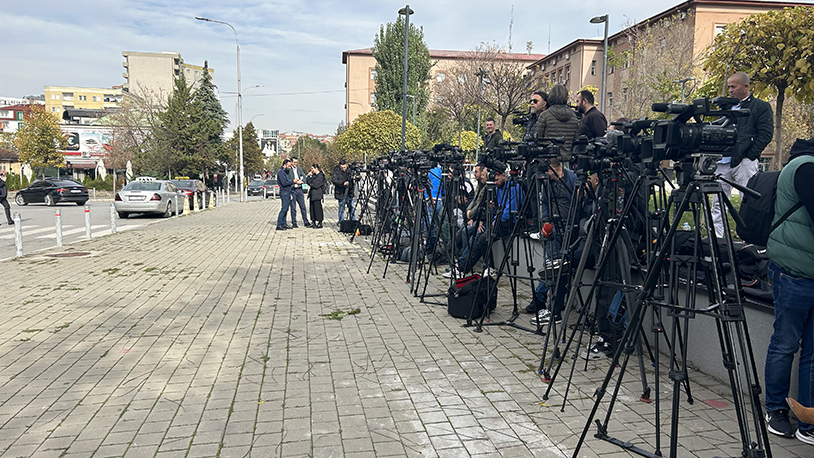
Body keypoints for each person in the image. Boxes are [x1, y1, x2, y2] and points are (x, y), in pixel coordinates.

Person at [763, 137, 814, 444]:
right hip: (794, 272)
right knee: (785, 344)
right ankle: (776, 409)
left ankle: (808, 423)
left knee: (812, 351)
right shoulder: (805, 167)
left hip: (806, 270)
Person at [711, 71, 773, 239]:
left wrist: (750, 155)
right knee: (718, 202)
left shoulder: (760, 107)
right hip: (722, 162)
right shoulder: (725, 108)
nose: (730, 90)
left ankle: (751, 236)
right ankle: (717, 237)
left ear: (746, 86)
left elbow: (766, 133)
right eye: (729, 87)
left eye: (734, 87)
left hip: (744, 162)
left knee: (749, 200)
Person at [535, 84, 579, 166]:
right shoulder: (573, 116)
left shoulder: (545, 115)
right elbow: (576, 139)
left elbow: (537, 138)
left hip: (549, 160)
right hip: (566, 160)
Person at [287, 157, 310, 228]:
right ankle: (294, 222)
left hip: (299, 189)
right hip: (293, 190)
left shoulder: (299, 169)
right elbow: (288, 180)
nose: (295, 164)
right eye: (294, 162)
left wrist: (302, 181)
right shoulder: (289, 170)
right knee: (293, 207)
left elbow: (304, 177)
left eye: (296, 162)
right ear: (291, 162)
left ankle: (306, 221)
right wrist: (294, 182)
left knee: (303, 206)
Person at [332, 159, 355, 224]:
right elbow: (334, 180)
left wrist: (353, 179)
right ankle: (341, 222)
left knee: (351, 207)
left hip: (350, 192)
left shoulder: (350, 170)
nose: (343, 169)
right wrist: (342, 183)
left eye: (344, 167)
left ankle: (353, 221)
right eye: (342, 168)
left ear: (346, 165)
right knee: (341, 208)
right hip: (341, 192)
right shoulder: (336, 171)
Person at [275, 159, 294, 230]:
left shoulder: (285, 172)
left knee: (286, 209)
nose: (289, 168)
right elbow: (284, 183)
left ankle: (284, 223)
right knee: (284, 209)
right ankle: (279, 224)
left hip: (287, 192)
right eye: (289, 166)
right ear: (285, 165)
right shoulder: (281, 172)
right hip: (284, 192)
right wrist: (293, 181)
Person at [306, 164, 326, 229]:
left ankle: (319, 222)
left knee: (318, 208)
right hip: (312, 194)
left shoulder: (320, 176)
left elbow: (316, 185)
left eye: (312, 168)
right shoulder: (313, 175)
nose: (311, 170)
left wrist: (311, 183)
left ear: (316, 168)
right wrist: (308, 177)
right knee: (312, 209)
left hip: (317, 194)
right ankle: (313, 221)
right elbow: (308, 182)